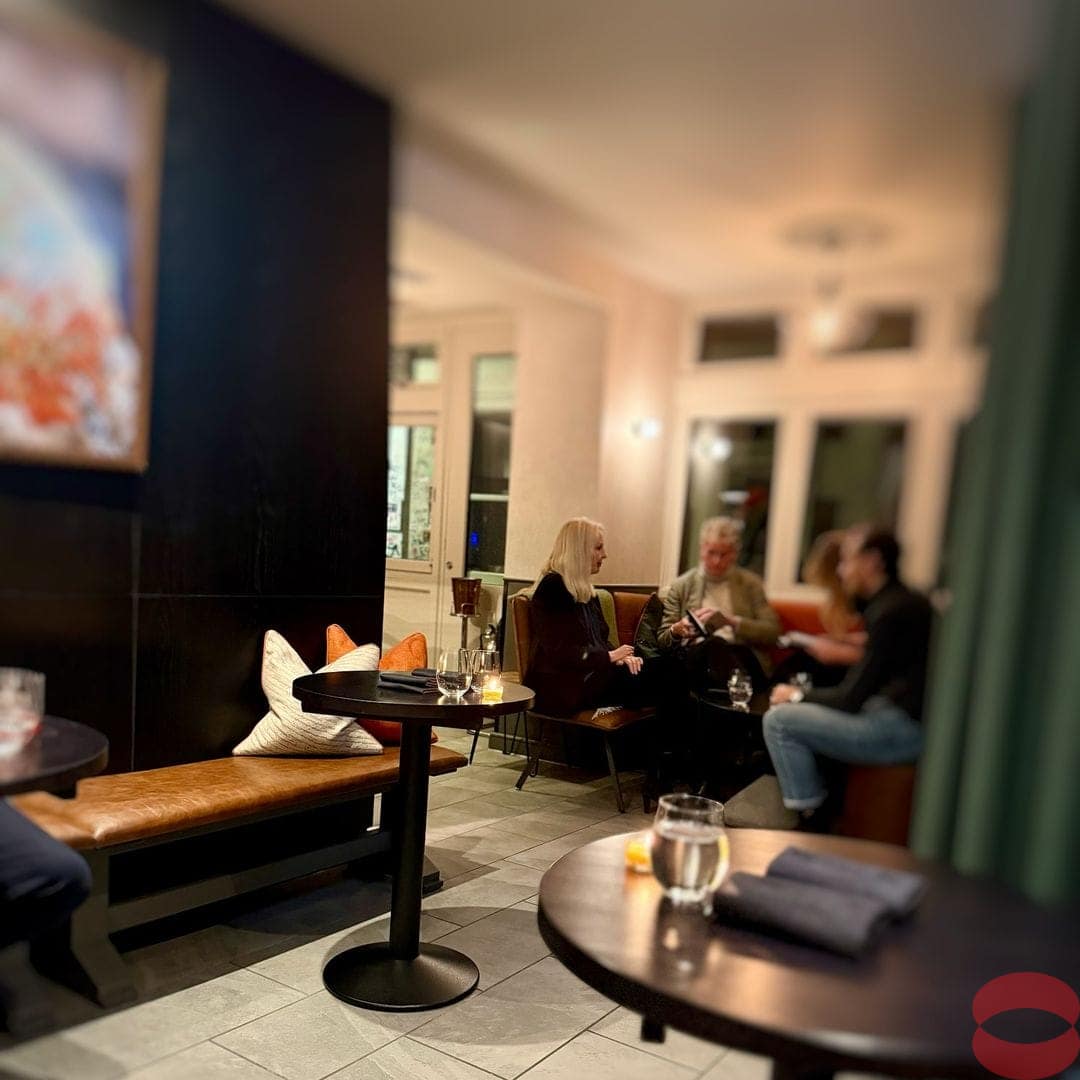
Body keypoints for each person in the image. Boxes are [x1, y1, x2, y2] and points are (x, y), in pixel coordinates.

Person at [763, 525, 931, 815]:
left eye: (847, 560)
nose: (841, 571)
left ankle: (806, 815)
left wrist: (795, 695)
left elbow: (849, 699)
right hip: (899, 718)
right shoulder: (902, 601)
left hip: (899, 730)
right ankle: (819, 804)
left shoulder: (890, 611)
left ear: (872, 561)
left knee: (778, 721)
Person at [527, 517, 654, 716]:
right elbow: (560, 653)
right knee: (663, 677)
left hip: (592, 677)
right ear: (579, 551)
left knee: (662, 672)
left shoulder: (586, 591)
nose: (605, 555)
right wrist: (610, 657)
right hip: (563, 686)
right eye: (598, 548)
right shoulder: (552, 587)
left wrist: (622, 659)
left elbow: (600, 641)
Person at [659, 516, 781, 687]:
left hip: (742, 658)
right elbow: (663, 640)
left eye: (724, 554)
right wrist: (677, 630)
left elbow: (773, 632)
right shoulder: (682, 586)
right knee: (710, 645)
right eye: (711, 553)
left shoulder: (750, 584)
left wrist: (732, 622)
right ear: (702, 549)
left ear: (735, 554)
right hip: (700, 659)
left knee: (717, 646)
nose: (717, 561)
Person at [772, 530, 865, 686]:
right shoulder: (845, 598)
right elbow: (871, 640)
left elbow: (880, 653)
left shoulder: (864, 600)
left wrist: (837, 651)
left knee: (799, 666)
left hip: (857, 674)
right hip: (848, 665)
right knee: (795, 663)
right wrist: (841, 640)